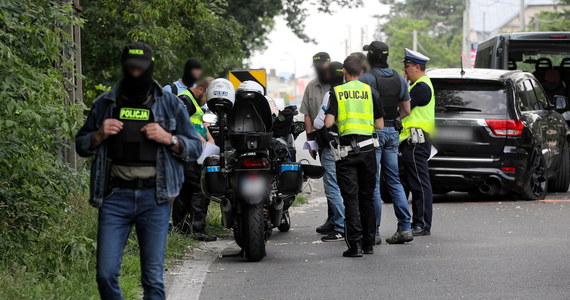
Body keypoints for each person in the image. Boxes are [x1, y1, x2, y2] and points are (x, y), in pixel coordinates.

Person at [75, 42, 202, 299]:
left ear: (150, 68)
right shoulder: (106, 103)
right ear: (124, 66)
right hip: (114, 199)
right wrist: (99, 134)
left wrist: (169, 139)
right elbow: (81, 145)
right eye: (131, 68)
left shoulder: (169, 104)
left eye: (140, 68)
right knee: (106, 274)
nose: (135, 73)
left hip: (154, 199)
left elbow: (195, 148)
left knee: (152, 278)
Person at [324, 56, 385, 257]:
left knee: (351, 199)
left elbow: (327, 122)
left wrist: (339, 122)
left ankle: (355, 246)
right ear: (361, 72)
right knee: (367, 197)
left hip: (346, 152)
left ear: (344, 71)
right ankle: (369, 244)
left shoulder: (337, 92)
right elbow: (380, 125)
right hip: (368, 150)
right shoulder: (371, 92)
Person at [360, 41, 413, 245]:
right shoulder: (399, 78)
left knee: (373, 183)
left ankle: (374, 232)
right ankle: (405, 227)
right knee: (394, 180)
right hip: (393, 132)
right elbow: (406, 110)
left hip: (374, 134)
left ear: (371, 57)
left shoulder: (367, 79)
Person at [168, 77, 218, 241]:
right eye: (206, 96)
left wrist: (209, 138)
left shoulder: (195, 104)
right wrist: (199, 138)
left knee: (186, 190)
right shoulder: (185, 99)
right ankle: (197, 229)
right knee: (200, 189)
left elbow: (199, 125)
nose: (206, 101)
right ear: (201, 89)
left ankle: (181, 228)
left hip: (193, 152)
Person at [299, 52, 337, 235]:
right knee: (330, 182)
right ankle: (333, 219)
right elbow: (307, 114)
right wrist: (310, 141)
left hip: (340, 140)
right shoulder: (311, 87)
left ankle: (342, 219)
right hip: (321, 142)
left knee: (341, 182)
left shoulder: (339, 83)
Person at [400, 48, 435, 236]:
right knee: (412, 183)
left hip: (416, 141)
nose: (405, 72)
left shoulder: (421, 87)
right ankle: (415, 223)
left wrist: (402, 86)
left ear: (417, 67)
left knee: (420, 184)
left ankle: (421, 224)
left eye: (407, 67)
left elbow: (404, 108)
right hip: (410, 140)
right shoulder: (416, 86)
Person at [312, 61, 346, 242]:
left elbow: (320, 122)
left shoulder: (331, 94)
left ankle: (341, 226)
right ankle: (348, 223)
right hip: (351, 144)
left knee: (332, 186)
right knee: (346, 186)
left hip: (332, 145)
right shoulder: (352, 92)